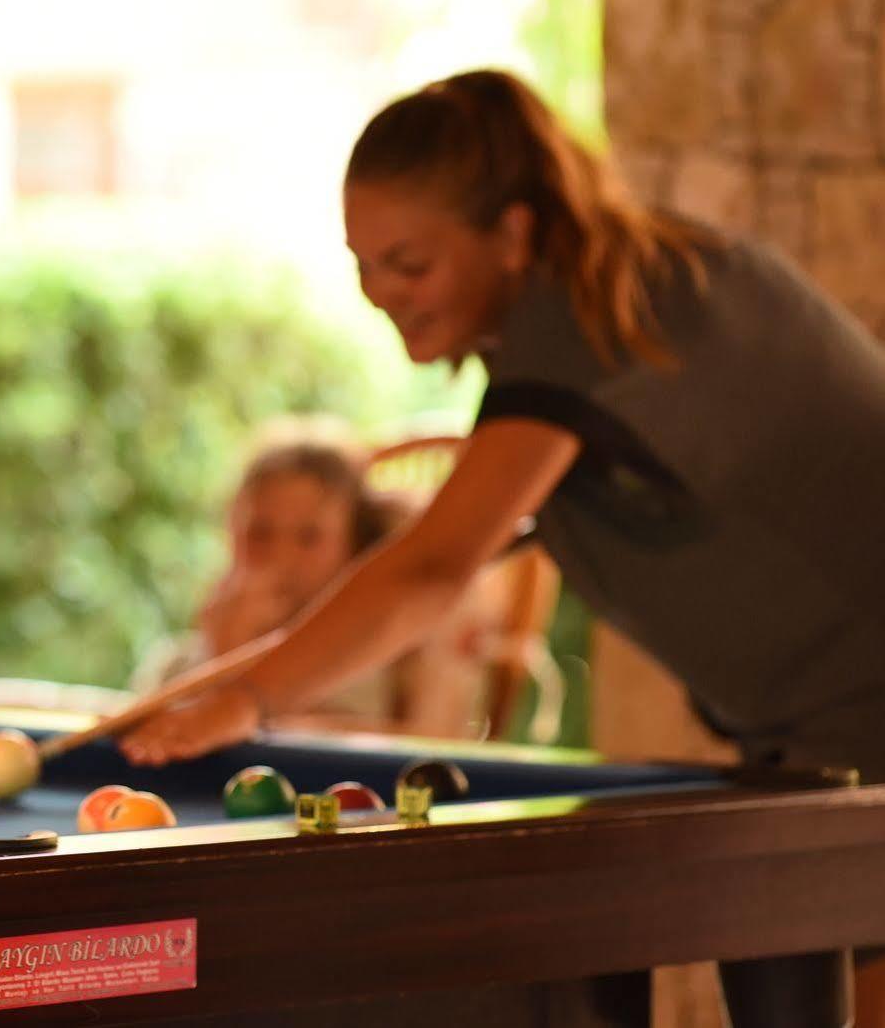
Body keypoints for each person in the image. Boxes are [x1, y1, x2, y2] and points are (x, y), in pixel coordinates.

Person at [122, 68, 885, 1026]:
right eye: (362, 265)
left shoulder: (577, 321)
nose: (379, 294)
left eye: (408, 263)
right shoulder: (649, 282)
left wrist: (242, 697)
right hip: (826, 739)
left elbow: (435, 568)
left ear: (514, 232)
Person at [132, 418, 519, 741]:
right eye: (260, 532)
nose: (281, 556)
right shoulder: (186, 658)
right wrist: (224, 651)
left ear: (354, 544)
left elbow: (426, 742)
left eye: (309, 537)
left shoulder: (381, 654)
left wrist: (239, 683)